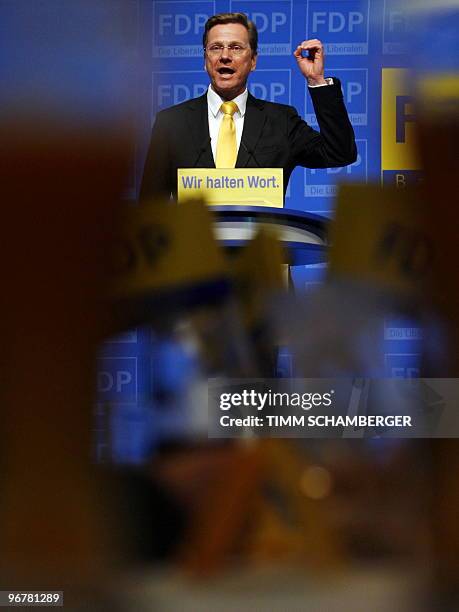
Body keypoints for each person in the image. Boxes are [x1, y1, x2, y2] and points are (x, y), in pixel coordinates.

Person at [140, 12, 357, 202]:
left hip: (259, 247)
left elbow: (339, 153)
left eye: (236, 47)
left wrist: (316, 79)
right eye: (216, 48)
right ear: (205, 59)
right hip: (193, 248)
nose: (225, 56)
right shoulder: (171, 122)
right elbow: (150, 207)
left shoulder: (281, 121)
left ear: (253, 60)